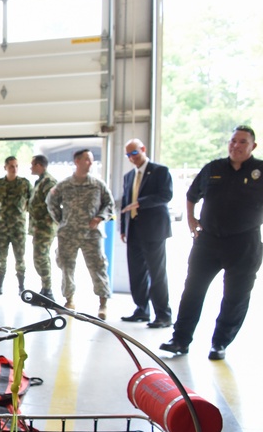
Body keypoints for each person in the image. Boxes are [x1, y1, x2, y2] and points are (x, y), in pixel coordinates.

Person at [161, 126, 263, 361]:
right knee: (192, 291)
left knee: (235, 297)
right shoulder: (213, 168)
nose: (236, 146)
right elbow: (191, 195)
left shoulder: (260, 170)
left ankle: (220, 343)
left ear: (253, 146)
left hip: (244, 243)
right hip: (208, 241)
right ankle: (180, 340)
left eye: (242, 142)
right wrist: (190, 219)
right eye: (233, 141)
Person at [46, 148, 115, 319]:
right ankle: (69, 300)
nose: (90, 163)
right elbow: (51, 201)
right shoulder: (65, 184)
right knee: (66, 268)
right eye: (87, 160)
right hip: (68, 234)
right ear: (77, 161)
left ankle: (103, 304)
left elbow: (109, 204)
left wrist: (99, 217)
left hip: (91, 235)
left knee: (98, 268)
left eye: (91, 160)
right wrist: (61, 220)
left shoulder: (97, 184)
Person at [120, 138, 173, 328]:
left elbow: (166, 195)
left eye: (134, 153)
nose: (131, 158)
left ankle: (163, 315)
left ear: (143, 149)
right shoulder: (128, 176)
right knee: (137, 273)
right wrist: (123, 229)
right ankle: (141, 309)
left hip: (154, 231)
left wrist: (141, 202)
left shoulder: (160, 171)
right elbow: (125, 203)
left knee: (156, 273)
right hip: (133, 230)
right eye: (128, 155)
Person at [0, 156, 32, 296]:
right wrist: (2, 213)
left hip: (18, 228)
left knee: (20, 258)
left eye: (16, 166)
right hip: (1, 228)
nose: (14, 169)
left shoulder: (24, 183)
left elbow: (31, 203)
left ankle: (21, 287)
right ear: (5, 167)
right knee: (0, 258)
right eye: (11, 166)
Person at [29, 155, 58, 299]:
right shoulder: (40, 181)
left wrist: (45, 221)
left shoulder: (48, 182)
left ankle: (48, 291)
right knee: (39, 257)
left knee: (41, 257)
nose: (31, 167)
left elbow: (53, 204)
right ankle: (45, 289)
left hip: (45, 226)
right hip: (39, 226)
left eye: (32, 164)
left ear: (39, 165)